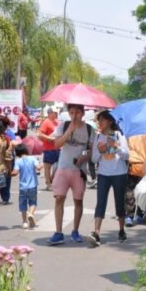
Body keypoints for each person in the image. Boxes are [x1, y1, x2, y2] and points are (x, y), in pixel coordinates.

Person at [47, 104, 95, 245]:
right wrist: (68, 132)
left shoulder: (89, 129)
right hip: (63, 167)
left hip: (79, 170)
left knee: (78, 200)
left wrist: (83, 156)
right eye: (72, 112)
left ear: (83, 113)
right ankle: (58, 232)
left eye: (78, 112)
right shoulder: (63, 126)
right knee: (59, 198)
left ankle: (75, 231)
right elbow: (57, 145)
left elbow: (91, 150)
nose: (74, 115)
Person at [88, 110, 130, 247]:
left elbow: (126, 155)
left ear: (110, 121)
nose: (99, 123)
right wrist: (100, 151)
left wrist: (116, 147)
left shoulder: (119, 135)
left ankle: (121, 230)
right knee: (100, 202)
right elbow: (93, 159)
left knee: (119, 203)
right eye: (98, 120)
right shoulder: (98, 137)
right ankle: (96, 232)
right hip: (103, 174)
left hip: (119, 173)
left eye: (102, 120)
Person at [125, 133, 146, 226]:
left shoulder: (130, 132)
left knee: (130, 191)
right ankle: (141, 213)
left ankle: (130, 216)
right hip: (144, 165)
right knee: (143, 191)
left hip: (131, 164)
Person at [11, 143, 40, 229]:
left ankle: (24, 222)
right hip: (33, 185)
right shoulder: (32, 158)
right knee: (33, 202)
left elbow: (15, 173)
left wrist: (9, 173)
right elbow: (38, 167)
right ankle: (31, 214)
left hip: (22, 187)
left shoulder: (18, 161)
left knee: (23, 204)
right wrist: (41, 166)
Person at [37, 107, 59, 190]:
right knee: (47, 167)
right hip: (48, 148)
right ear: (50, 113)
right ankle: (48, 183)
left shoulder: (57, 122)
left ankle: (51, 180)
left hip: (57, 147)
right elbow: (40, 134)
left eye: (57, 113)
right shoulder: (46, 122)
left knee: (58, 166)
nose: (56, 114)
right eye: (54, 113)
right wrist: (50, 139)